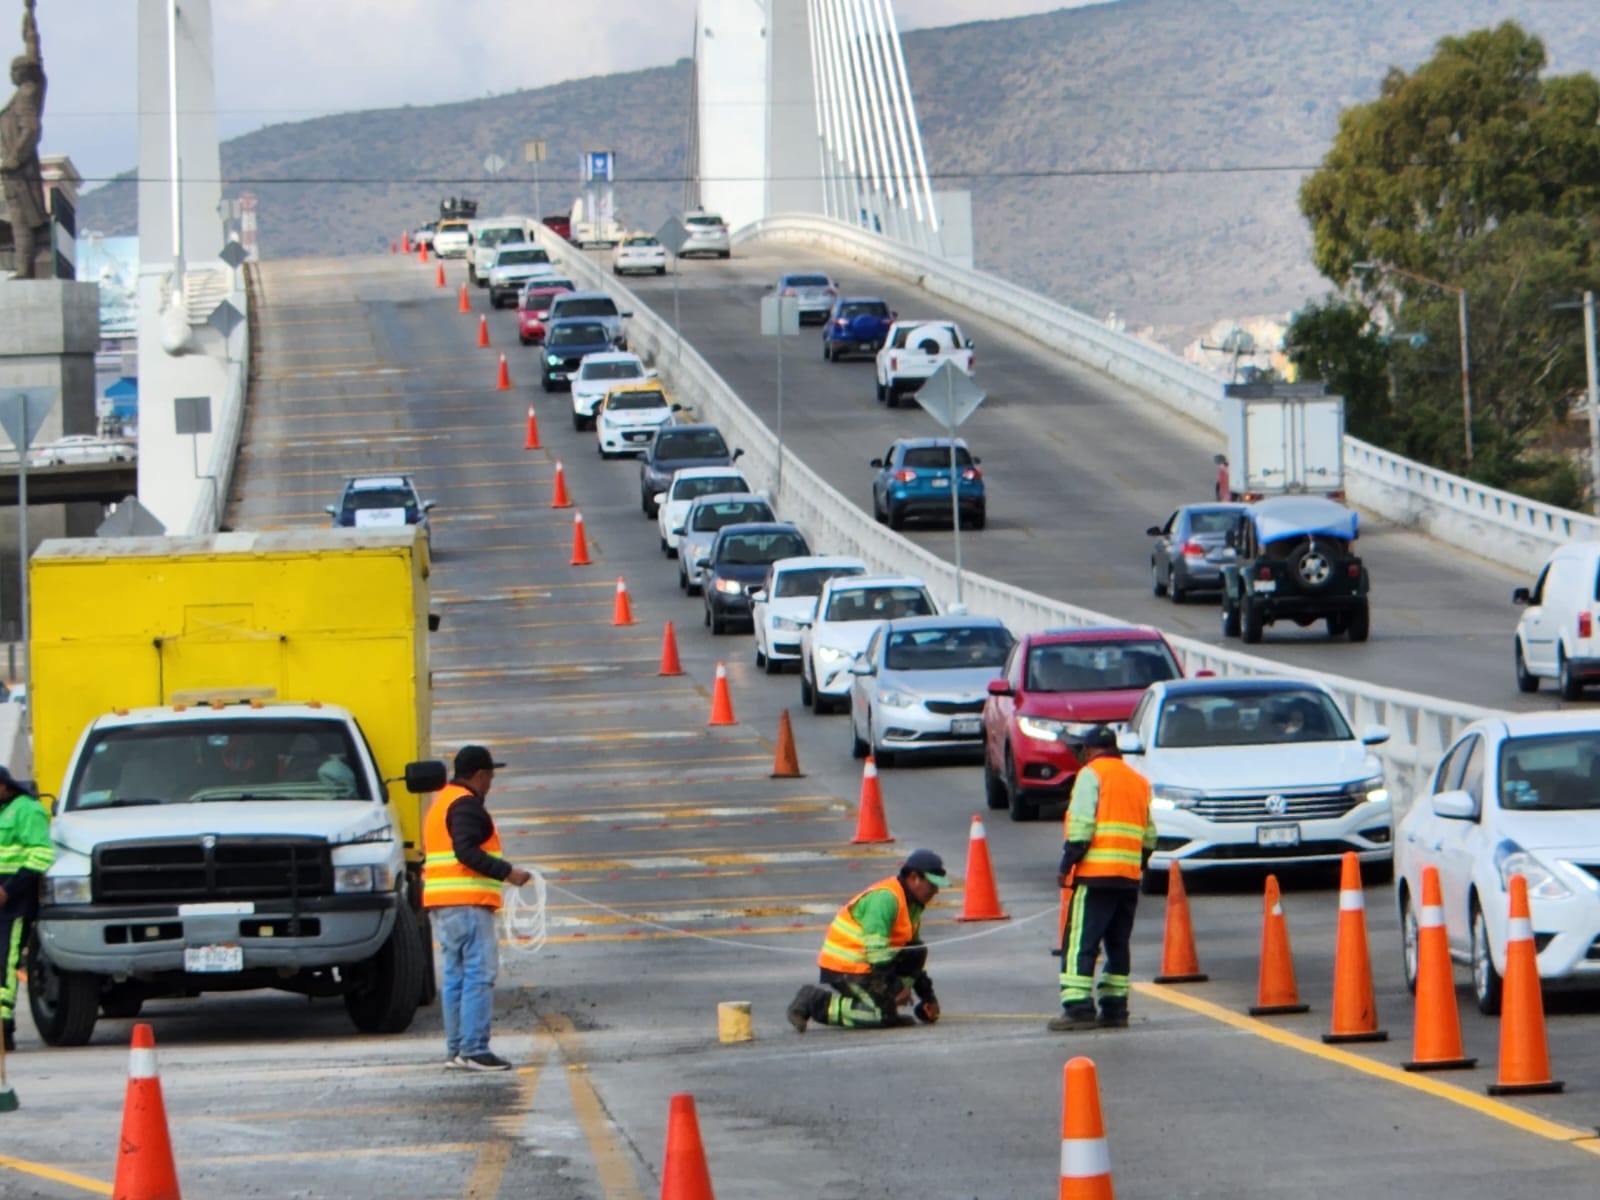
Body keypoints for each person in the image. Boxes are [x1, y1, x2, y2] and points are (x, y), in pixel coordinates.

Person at [421, 745, 531, 1072]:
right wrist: (507, 873)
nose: (491, 785)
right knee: (479, 975)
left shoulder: (441, 801)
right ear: (480, 775)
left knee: (456, 977)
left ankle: (457, 1050)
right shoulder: (466, 805)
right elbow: (465, 851)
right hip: (467, 903)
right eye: (491, 778)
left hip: (443, 904)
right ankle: (474, 1048)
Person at [1050, 726, 1157, 1032]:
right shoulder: (1138, 781)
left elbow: (1082, 826)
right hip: (1127, 877)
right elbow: (1150, 835)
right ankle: (1114, 1008)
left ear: (1089, 751)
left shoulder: (1091, 775)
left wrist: (1067, 863)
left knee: (1080, 943)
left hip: (1096, 875)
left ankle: (1078, 1008)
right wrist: (1136, 864)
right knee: (1117, 943)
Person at [788, 848, 946, 1032]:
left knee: (916, 951)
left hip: (870, 966)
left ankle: (887, 1007)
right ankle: (815, 1002)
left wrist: (928, 999)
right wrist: (895, 989)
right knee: (878, 1016)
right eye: (932, 884)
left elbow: (911, 955)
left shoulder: (913, 905)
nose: (936, 890)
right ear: (914, 877)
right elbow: (877, 955)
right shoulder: (886, 899)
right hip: (846, 967)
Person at [0, 765, 51, 1050]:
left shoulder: (26, 810)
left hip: (13, 900)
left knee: (4, 961)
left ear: (4, 786)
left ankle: (3, 1025)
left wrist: (8, 890)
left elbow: (41, 854)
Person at [0, 0, 47, 280]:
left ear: (24, 72)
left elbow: (31, 128)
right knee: (19, 220)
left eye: (15, 69)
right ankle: (24, 268)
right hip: (13, 171)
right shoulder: (21, 96)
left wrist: (14, 158)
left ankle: (24, 269)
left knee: (21, 221)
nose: (11, 74)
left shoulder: (30, 92)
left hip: (20, 171)